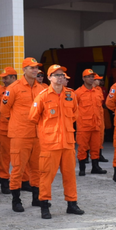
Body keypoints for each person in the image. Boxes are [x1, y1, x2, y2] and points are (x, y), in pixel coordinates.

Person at [29, 64, 85, 219]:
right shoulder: (42, 96)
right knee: (46, 176)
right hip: (50, 144)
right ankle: (45, 205)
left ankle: (72, 203)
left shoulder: (71, 95)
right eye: (57, 75)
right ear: (49, 78)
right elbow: (33, 117)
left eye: (62, 75)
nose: (61, 77)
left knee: (70, 175)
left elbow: (74, 115)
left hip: (67, 142)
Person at [0, 57, 48, 212]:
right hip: (20, 135)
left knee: (37, 169)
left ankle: (36, 198)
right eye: (31, 68)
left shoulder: (41, 89)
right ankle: (16, 200)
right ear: (24, 70)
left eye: (36, 68)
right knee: (18, 169)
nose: (35, 70)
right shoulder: (13, 88)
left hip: (37, 135)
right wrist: (17, 124)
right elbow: (4, 111)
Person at [76, 69, 106, 175]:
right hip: (83, 126)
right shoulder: (78, 93)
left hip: (96, 125)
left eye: (92, 76)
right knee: (83, 148)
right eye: (88, 76)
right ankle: (82, 168)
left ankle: (95, 167)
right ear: (83, 78)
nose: (91, 78)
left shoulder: (97, 91)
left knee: (96, 147)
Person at [0, 67, 18, 193]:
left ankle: (23, 182)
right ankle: (4, 182)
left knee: (21, 156)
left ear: (13, 77)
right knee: (4, 156)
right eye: (2, 78)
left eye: (6, 77)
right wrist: (6, 119)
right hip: (5, 129)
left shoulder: (21, 89)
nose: (3, 80)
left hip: (20, 129)